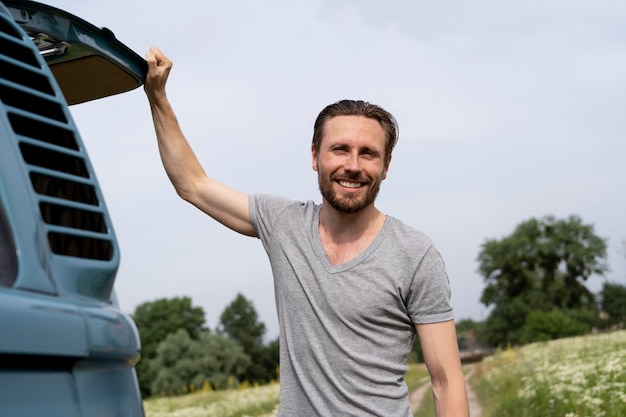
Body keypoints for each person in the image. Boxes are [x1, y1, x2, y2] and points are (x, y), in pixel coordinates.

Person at [143, 46, 470, 417]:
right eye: (340, 150)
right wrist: (157, 97)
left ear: (386, 165)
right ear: (315, 156)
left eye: (368, 153)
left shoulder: (415, 254)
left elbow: (446, 381)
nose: (352, 165)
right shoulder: (283, 223)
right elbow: (192, 184)